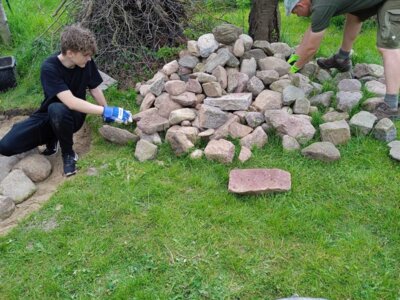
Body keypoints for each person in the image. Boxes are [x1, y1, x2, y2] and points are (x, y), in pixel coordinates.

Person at [0, 24, 132, 176]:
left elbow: (94, 89)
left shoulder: (86, 63)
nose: (90, 58)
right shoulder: (49, 68)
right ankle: (52, 137)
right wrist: (107, 111)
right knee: (5, 146)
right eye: (86, 55)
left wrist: (107, 112)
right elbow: (70, 100)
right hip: (48, 115)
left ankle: (68, 154)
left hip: (74, 116)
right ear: (70, 53)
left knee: (57, 109)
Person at [284, 0, 400, 120]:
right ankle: (342, 58)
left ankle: (391, 106)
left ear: (301, 4)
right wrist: (293, 59)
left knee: (387, 48)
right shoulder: (318, 4)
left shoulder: (321, 5)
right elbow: (312, 31)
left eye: (295, 12)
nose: (297, 15)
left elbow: (311, 48)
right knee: (355, 14)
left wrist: (292, 69)